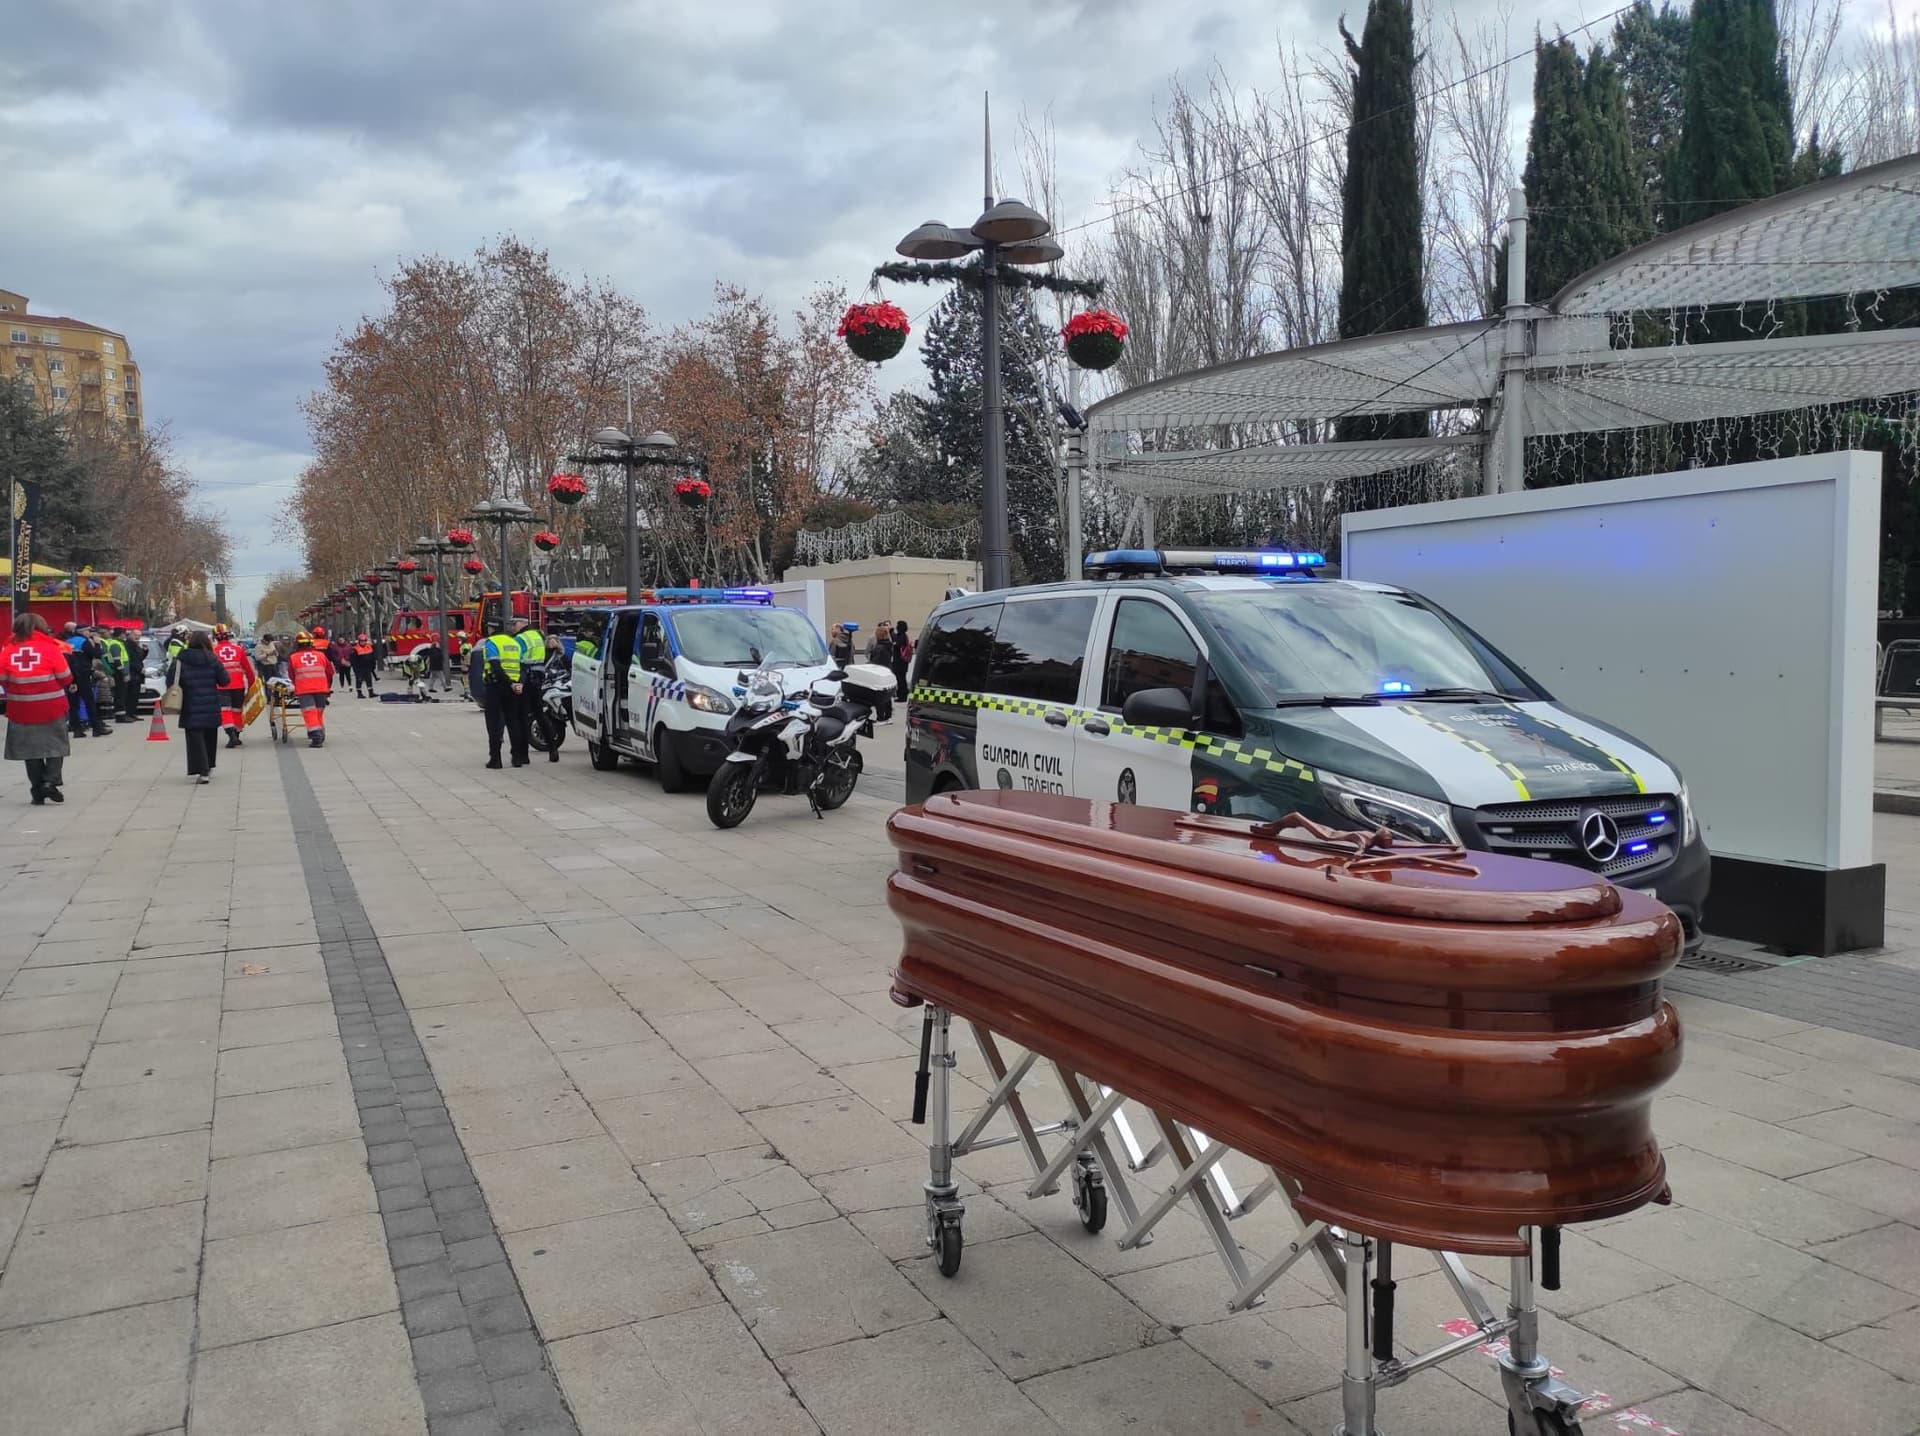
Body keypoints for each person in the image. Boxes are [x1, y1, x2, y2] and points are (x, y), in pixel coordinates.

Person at [1, 613, 76, 805]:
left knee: (30, 751)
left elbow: (3, 680)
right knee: (56, 745)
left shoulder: (8, 650)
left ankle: (37, 790)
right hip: (51, 706)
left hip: (21, 708)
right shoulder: (50, 648)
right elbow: (65, 677)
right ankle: (49, 782)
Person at [169, 630, 236, 783]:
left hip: (190, 703)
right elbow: (225, 680)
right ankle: (209, 766)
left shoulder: (181, 659)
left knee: (195, 737)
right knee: (210, 736)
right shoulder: (212, 658)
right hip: (211, 703)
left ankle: (202, 770)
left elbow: (171, 680)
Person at [478, 625, 529, 769]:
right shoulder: (515, 643)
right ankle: (517, 758)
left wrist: (509, 683)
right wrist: (519, 683)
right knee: (513, 722)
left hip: (496, 686)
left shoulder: (492, 642)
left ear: (491, 629)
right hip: (514, 688)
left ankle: (495, 759)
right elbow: (523, 667)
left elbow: (495, 666)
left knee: (494, 723)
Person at [212, 625, 259, 747]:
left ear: (215, 637)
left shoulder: (213, 651)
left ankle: (231, 734)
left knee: (225, 711)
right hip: (238, 686)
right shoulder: (238, 649)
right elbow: (248, 670)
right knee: (237, 710)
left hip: (221, 686)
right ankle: (236, 735)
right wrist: (252, 685)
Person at [285, 631, 333, 747]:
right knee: (318, 712)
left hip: (304, 690)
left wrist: (295, 685)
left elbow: (291, 674)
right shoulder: (321, 655)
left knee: (309, 712)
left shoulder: (293, 657)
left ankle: (316, 737)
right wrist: (327, 686)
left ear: (297, 644)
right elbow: (330, 672)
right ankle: (320, 732)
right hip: (321, 689)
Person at [866, 621, 895, 721]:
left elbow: (875, 662)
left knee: (879, 696)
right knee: (887, 695)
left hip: (879, 673)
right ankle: (888, 716)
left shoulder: (879, 648)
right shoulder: (889, 645)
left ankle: (880, 717)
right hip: (887, 671)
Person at [351, 632, 378, 698]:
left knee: (369, 679)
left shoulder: (369, 647)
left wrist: (373, 665)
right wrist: (355, 670)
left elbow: (373, 657)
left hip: (368, 667)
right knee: (359, 680)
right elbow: (353, 661)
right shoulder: (355, 649)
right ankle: (359, 693)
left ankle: (371, 692)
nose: (363, 642)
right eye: (361, 641)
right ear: (359, 641)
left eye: (364, 641)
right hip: (359, 668)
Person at [891, 620, 913, 700]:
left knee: (901, 679)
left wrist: (891, 633)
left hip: (900, 662)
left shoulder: (902, 636)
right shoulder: (903, 635)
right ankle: (902, 694)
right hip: (902, 662)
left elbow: (897, 644)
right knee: (901, 679)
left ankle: (902, 696)